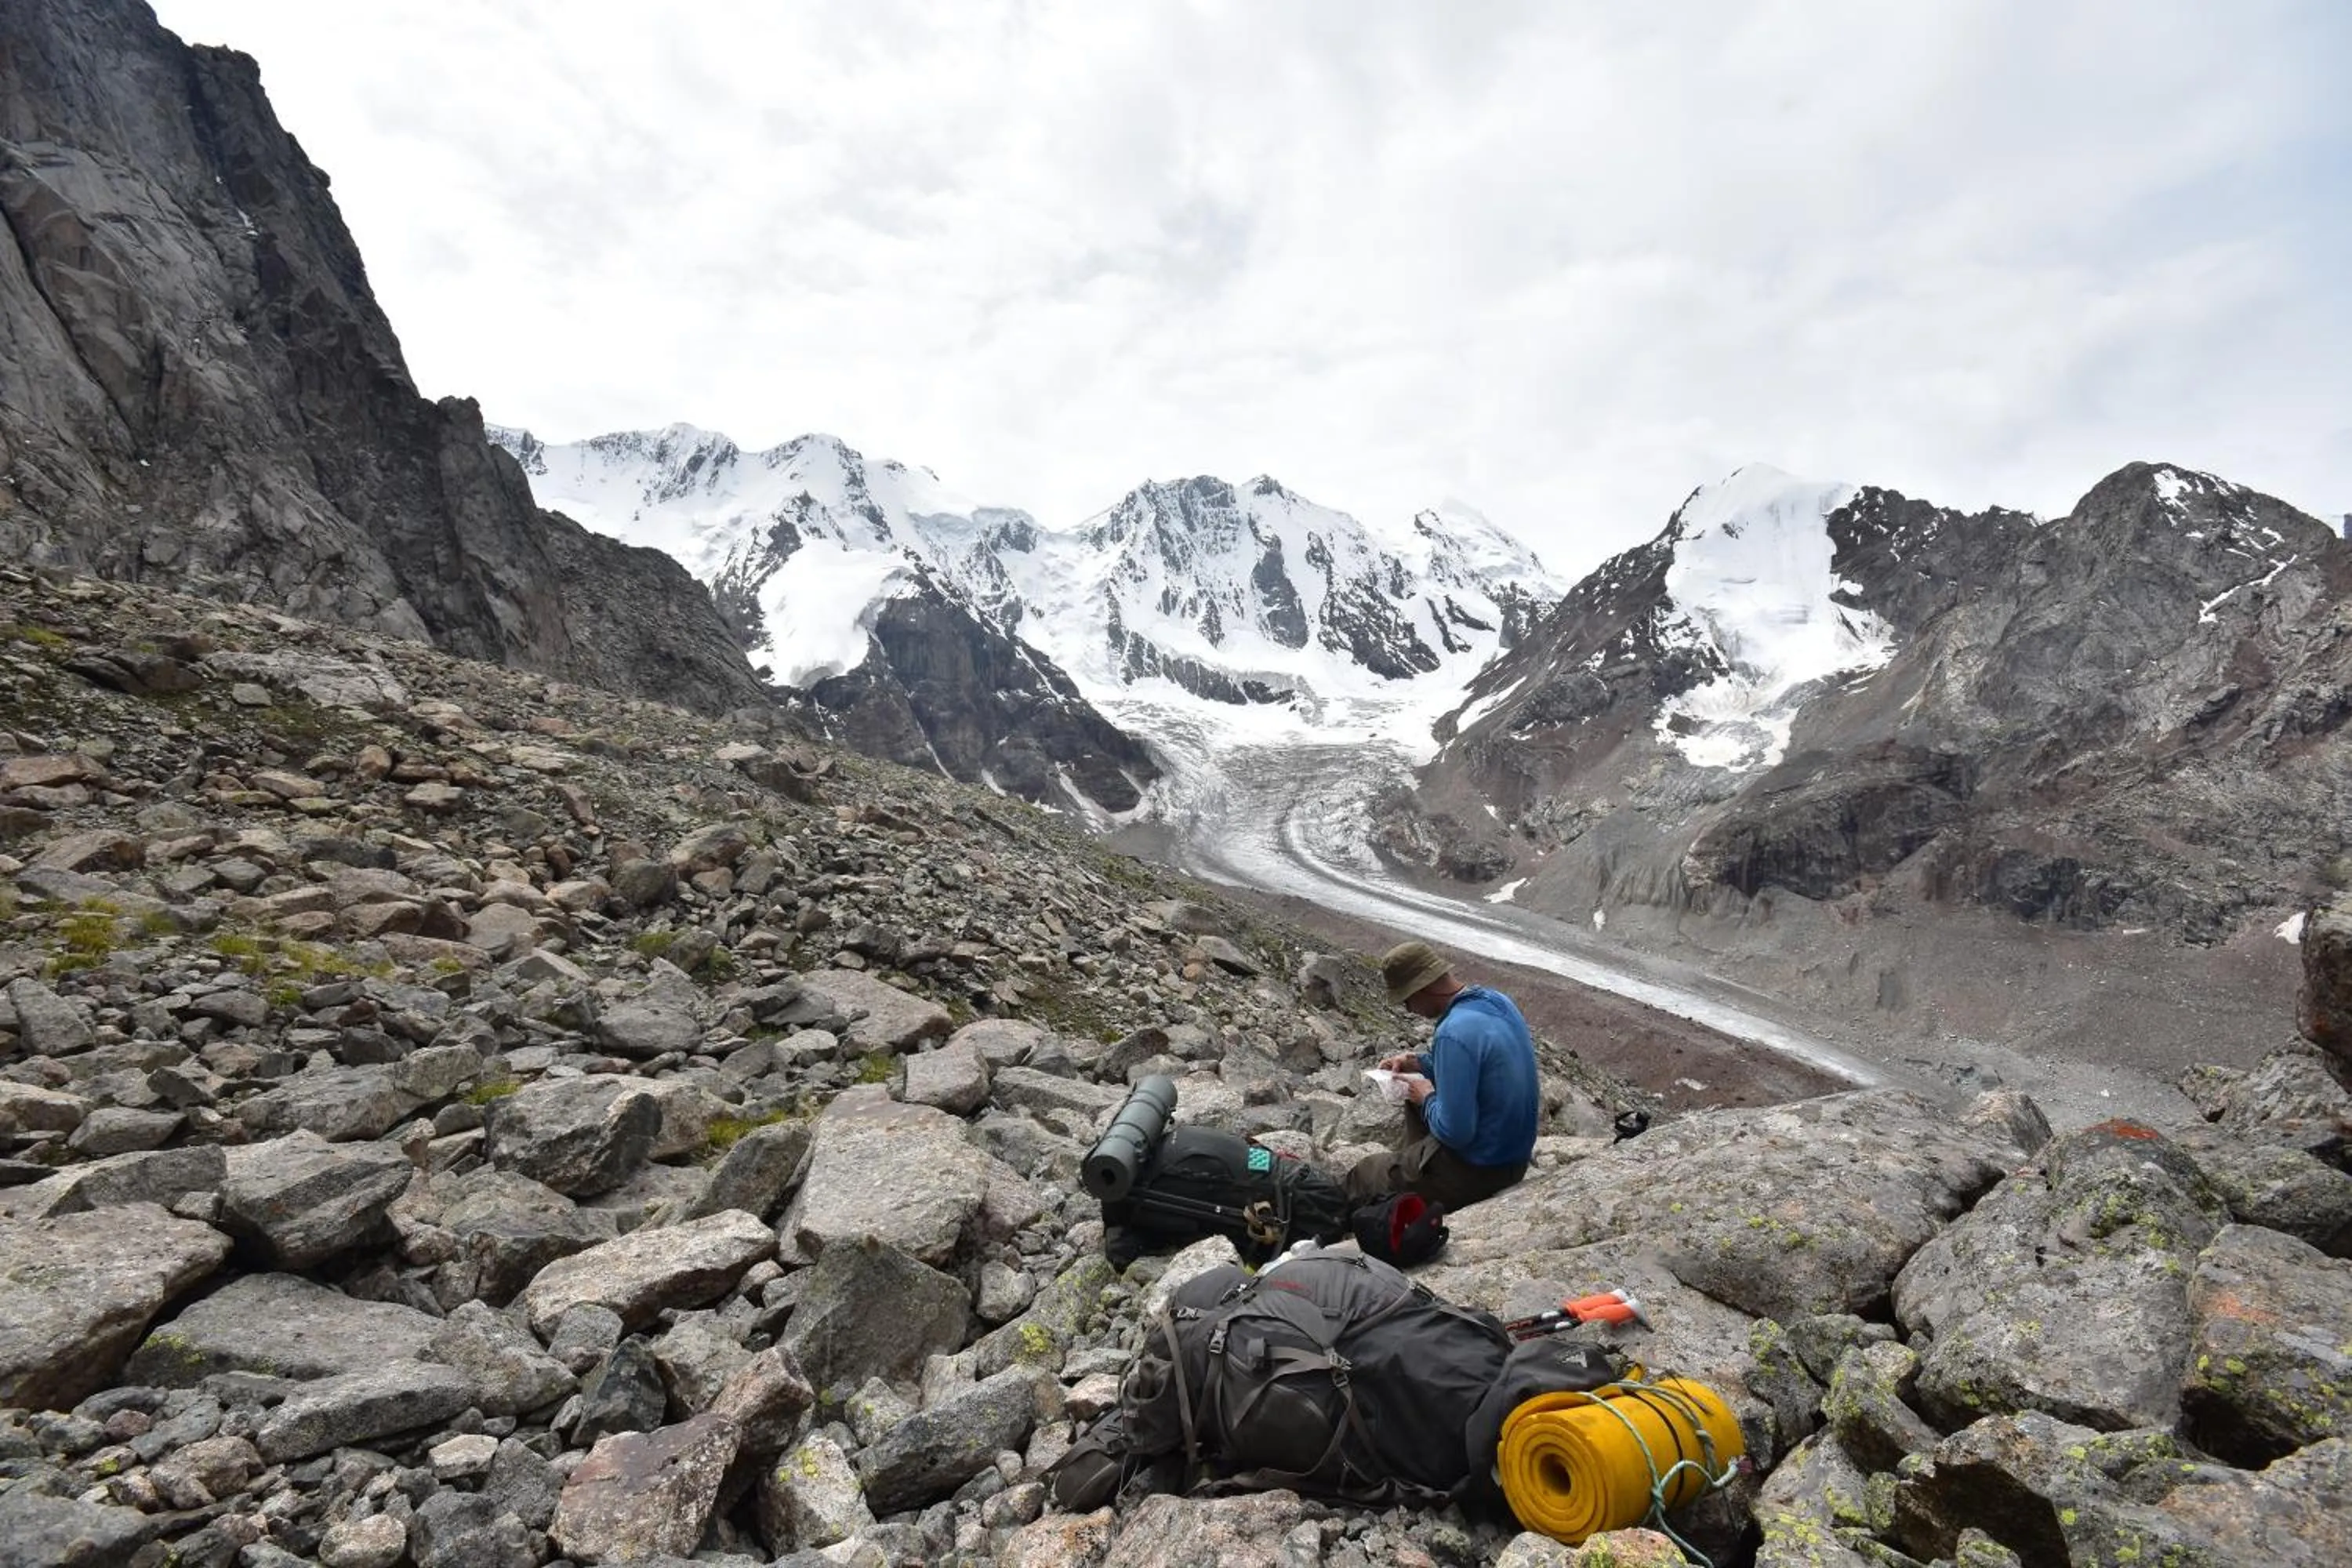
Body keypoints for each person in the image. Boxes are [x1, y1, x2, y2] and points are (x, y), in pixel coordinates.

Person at [1345, 939, 1538, 1210]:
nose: (1409, 1010)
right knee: (1418, 1100)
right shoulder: (1496, 1002)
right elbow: (1480, 1067)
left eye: (1407, 1000)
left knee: (1365, 1174)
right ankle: (1414, 1166)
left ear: (1422, 988)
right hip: (1513, 1160)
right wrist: (1420, 1063)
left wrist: (1427, 1098)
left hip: (1480, 1171)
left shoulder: (1453, 1032)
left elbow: (1456, 1133)